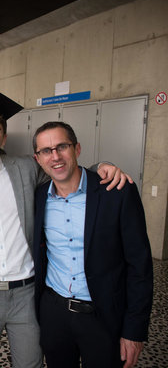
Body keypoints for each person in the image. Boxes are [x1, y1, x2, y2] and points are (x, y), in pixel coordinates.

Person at [0, 84, 132, 368]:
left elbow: (62, 171)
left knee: (31, 363)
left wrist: (101, 167)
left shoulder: (25, 168)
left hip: (26, 293)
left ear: (4, 136)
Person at [32, 121, 153, 368]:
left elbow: (139, 266)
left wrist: (134, 331)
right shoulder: (38, 196)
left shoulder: (116, 191)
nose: (55, 156)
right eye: (46, 150)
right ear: (38, 158)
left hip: (104, 315)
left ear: (77, 149)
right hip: (54, 313)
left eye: (62, 146)